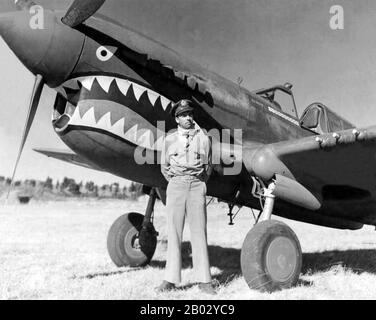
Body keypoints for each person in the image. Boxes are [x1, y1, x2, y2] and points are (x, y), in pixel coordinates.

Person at [156, 99, 215, 294]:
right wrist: (177, 181)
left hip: (197, 185)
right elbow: (164, 168)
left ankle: (204, 280)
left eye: (190, 114)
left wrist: (199, 183)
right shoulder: (169, 140)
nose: (188, 117)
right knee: (174, 232)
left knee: (199, 232)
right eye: (183, 115)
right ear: (176, 119)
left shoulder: (204, 139)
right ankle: (170, 279)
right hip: (176, 185)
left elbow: (208, 167)